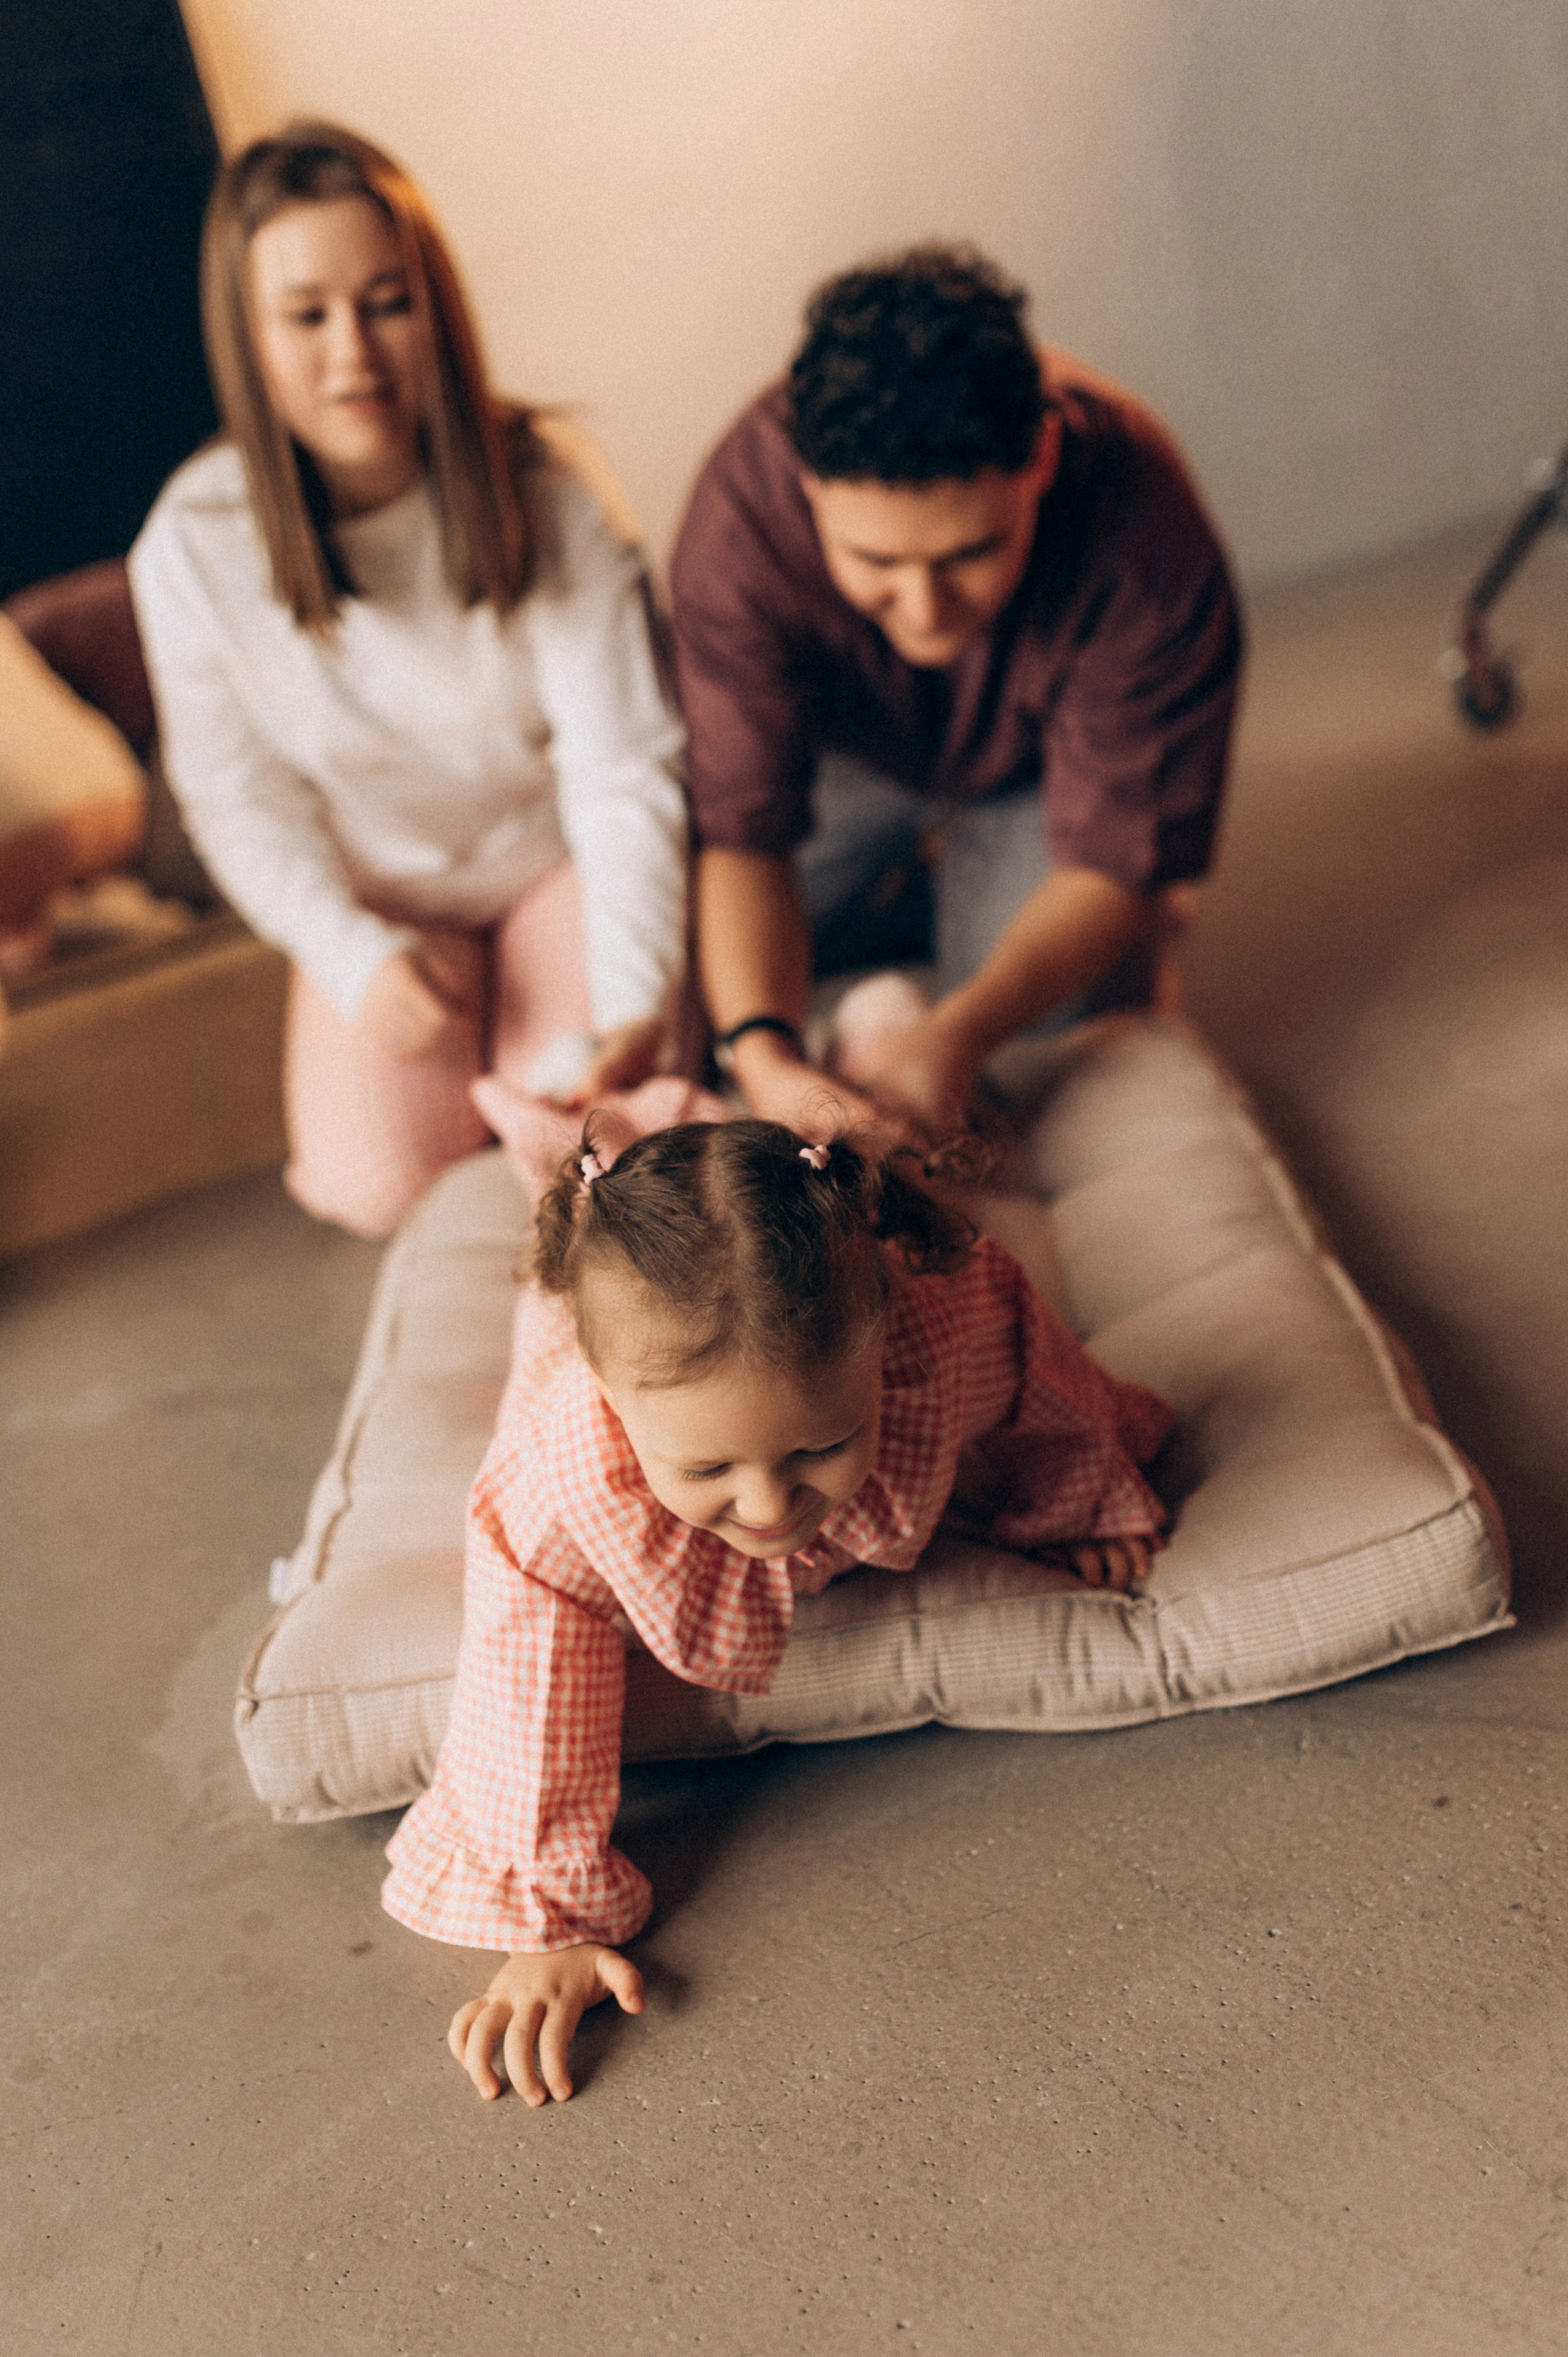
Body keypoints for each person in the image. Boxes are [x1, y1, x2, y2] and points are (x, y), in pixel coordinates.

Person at [380, 1115, 1173, 2103]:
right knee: (572, 1299)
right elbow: (526, 1681)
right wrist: (553, 1925)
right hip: (581, 1382)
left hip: (825, 1285)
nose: (766, 1507)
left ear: (882, 1344)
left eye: (818, 1448)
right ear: (614, 1404)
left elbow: (1046, 1382)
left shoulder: (947, 1326)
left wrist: (1078, 1501)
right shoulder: (559, 1483)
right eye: (707, 1468)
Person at [129, 123, 688, 1238]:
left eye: (387, 303)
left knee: (594, 1132)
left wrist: (637, 1002)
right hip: (383, 903)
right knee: (372, 1183)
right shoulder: (191, 547)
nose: (355, 355)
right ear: (248, 335)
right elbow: (238, 800)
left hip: (552, 865)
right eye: (307, 316)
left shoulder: (550, 489)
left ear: (438, 309)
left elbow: (622, 767)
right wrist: (351, 959)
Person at [670, 244, 1243, 1140]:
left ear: (1041, 457)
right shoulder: (737, 524)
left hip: (1045, 776)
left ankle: (1115, 916)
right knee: (679, 962)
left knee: (1054, 1038)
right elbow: (743, 834)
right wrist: (765, 1059)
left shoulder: (1146, 526)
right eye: (875, 560)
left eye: (970, 552)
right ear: (811, 485)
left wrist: (962, 1032)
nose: (926, 608)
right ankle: (924, 895)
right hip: (841, 764)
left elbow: (1110, 861)